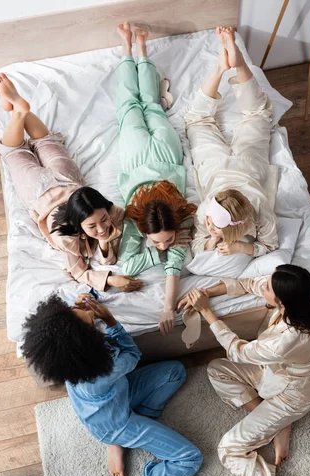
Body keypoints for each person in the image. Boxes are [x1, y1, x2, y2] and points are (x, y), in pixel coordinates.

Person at [21, 293, 203, 476]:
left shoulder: (73, 360)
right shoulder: (104, 368)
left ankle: (123, 439)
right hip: (114, 423)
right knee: (189, 459)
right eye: (84, 318)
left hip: (117, 399)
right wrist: (110, 319)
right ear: (87, 339)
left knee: (175, 371)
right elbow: (132, 354)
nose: (80, 308)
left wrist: (88, 303)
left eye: (73, 308)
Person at [178, 265, 310, 476]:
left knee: (228, 449)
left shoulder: (289, 338)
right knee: (216, 371)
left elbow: (238, 351)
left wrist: (208, 312)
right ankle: (276, 426)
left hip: (290, 396)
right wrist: (207, 292)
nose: (264, 287)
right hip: (272, 377)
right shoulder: (295, 298)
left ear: (283, 302)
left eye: (269, 289)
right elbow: (247, 282)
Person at [0, 72, 142, 292]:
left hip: (67, 182)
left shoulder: (111, 213)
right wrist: (110, 279)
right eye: (93, 226)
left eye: (102, 220)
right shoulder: (65, 236)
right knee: (14, 150)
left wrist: (105, 242)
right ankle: (17, 107)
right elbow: (79, 272)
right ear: (78, 224)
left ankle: (17, 106)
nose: (102, 228)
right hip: (39, 190)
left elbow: (105, 258)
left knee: (41, 141)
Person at [115, 22, 197, 333]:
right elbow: (131, 265)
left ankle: (136, 48)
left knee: (136, 106)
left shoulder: (169, 222)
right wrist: (157, 249)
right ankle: (132, 47)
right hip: (160, 155)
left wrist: (167, 306)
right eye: (160, 240)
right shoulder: (141, 221)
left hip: (140, 159)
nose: (165, 244)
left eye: (167, 239)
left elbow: (161, 264)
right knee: (141, 106)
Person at [184, 27, 278, 260]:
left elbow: (197, 245)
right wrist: (219, 236)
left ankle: (228, 67)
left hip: (241, 165)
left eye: (211, 226)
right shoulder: (255, 213)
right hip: (221, 166)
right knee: (199, 121)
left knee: (257, 115)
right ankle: (230, 65)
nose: (207, 224)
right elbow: (269, 244)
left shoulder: (210, 211)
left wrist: (239, 246)